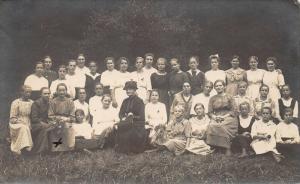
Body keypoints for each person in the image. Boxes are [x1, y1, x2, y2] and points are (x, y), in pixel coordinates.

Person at [206, 80, 238, 156]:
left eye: (220, 85)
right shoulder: (212, 98)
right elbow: (210, 112)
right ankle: (216, 147)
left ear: (224, 86)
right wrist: (215, 117)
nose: (218, 87)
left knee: (221, 126)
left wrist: (223, 117)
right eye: (216, 86)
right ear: (214, 88)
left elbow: (234, 110)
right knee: (212, 126)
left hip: (229, 117)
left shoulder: (229, 97)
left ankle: (227, 148)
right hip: (216, 117)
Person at [115, 81, 148, 153]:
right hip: (126, 121)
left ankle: (132, 149)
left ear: (134, 90)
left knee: (130, 128)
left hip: (137, 124)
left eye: (130, 89)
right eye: (126, 89)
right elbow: (121, 113)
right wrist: (123, 117)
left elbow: (141, 116)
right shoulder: (125, 101)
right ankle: (122, 148)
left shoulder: (139, 101)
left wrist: (132, 116)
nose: (128, 91)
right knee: (119, 126)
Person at [48, 83, 75, 152]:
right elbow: (50, 115)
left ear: (66, 91)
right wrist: (59, 119)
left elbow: (72, 116)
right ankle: (57, 149)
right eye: (60, 90)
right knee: (55, 127)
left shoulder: (70, 101)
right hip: (55, 120)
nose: (62, 92)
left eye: (63, 90)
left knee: (68, 127)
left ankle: (68, 148)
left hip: (67, 120)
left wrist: (66, 119)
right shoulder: (52, 101)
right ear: (57, 91)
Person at [9, 85, 33, 155]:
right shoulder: (16, 102)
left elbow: (34, 115)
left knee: (27, 126)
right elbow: (12, 118)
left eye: (30, 92)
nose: (28, 94)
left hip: (29, 120)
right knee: (24, 127)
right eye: (26, 92)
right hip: (17, 123)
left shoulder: (32, 102)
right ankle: (25, 148)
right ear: (22, 92)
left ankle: (26, 147)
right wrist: (21, 122)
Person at [30, 87, 55, 154]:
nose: (47, 95)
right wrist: (44, 123)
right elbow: (34, 118)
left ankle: (54, 148)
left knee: (56, 126)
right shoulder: (36, 103)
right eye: (45, 93)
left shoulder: (50, 102)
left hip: (46, 123)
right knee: (45, 128)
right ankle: (39, 150)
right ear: (41, 94)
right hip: (36, 124)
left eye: (48, 93)